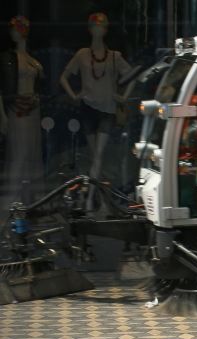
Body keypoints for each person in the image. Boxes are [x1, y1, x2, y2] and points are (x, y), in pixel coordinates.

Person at [59, 12, 133, 208]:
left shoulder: (115, 57)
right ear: (90, 28)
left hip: (107, 110)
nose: (99, 28)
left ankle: (91, 198)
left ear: (106, 29)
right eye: (95, 25)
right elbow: (63, 77)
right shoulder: (82, 54)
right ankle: (100, 195)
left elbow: (133, 75)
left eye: (102, 25)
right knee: (95, 157)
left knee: (98, 156)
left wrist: (122, 97)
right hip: (88, 109)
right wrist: (75, 95)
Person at [0, 16, 44, 204]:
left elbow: (39, 85)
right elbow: (2, 90)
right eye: (12, 28)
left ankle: (29, 200)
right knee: (18, 154)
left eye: (17, 28)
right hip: (17, 110)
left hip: (33, 111)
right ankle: (12, 201)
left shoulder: (33, 60)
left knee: (32, 154)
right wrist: (2, 117)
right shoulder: (6, 58)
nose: (13, 32)